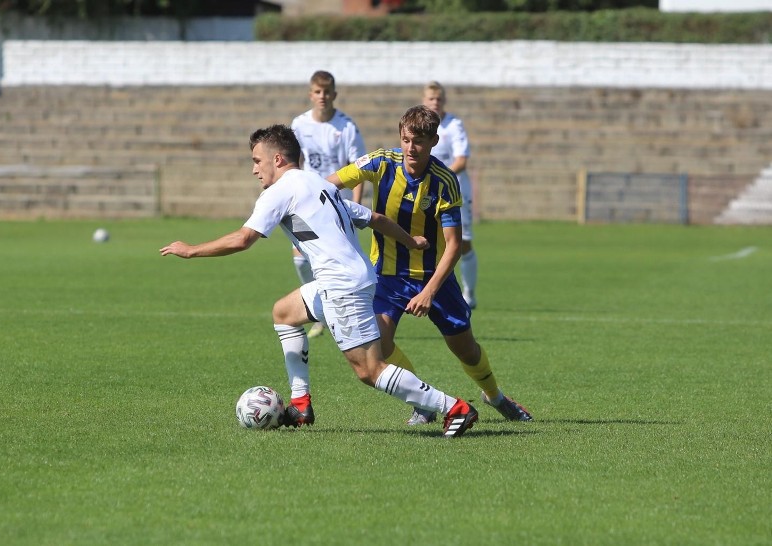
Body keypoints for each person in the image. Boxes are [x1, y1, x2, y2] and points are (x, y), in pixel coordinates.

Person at [159, 123, 478, 438]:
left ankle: (453, 407)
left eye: (257, 161)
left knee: (369, 370)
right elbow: (374, 218)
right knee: (284, 313)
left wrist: (191, 251)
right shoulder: (320, 185)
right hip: (349, 277)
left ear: (278, 160)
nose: (255, 170)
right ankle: (300, 403)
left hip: (342, 285)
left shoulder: (280, 191)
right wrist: (411, 241)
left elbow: (243, 239)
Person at [327, 106, 532, 426]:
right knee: (378, 345)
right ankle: (422, 401)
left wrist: (429, 292)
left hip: (433, 277)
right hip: (387, 276)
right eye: (407, 140)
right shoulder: (381, 162)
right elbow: (330, 185)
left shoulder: (444, 182)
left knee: (466, 350)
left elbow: (453, 246)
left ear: (434, 141)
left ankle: (495, 397)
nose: (411, 147)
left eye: (419, 141)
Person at [290, 70, 367, 339]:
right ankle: (320, 310)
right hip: (308, 206)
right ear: (311, 94)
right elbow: (294, 164)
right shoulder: (298, 125)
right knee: (301, 261)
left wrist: (356, 208)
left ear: (334, 94)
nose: (322, 97)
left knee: (343, 262)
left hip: (338, 207)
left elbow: (359, 169)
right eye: (317, 92)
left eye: (327, 92)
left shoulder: (346, 127)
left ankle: (353, 312)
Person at [422, 81, 478, 309]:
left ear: (443, 101)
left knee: (462, 242)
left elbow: (461, 160)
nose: (435, 102)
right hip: (426, 191)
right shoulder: (419, 125)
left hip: (455, 191)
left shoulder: (453, 125)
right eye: (431, 99)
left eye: (439, 99)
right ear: (424, 100)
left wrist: (438, 177)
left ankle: (469, 293)